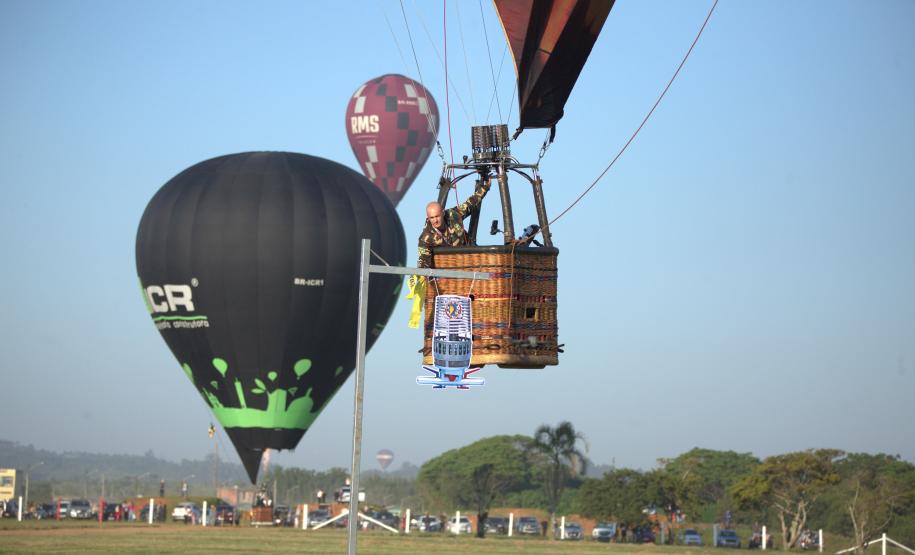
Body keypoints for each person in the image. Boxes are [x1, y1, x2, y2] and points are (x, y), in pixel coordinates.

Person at [416, 178, 492, 269]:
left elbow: (471, 203)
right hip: (448, 268)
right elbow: (423, 262)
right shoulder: (425, 238)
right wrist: (419, 277)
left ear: (443, 213)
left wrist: (485, 187)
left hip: (470, 258)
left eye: (437, 216)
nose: (435, 220)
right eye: (432, 218)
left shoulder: (453, 215)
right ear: (428, 218)